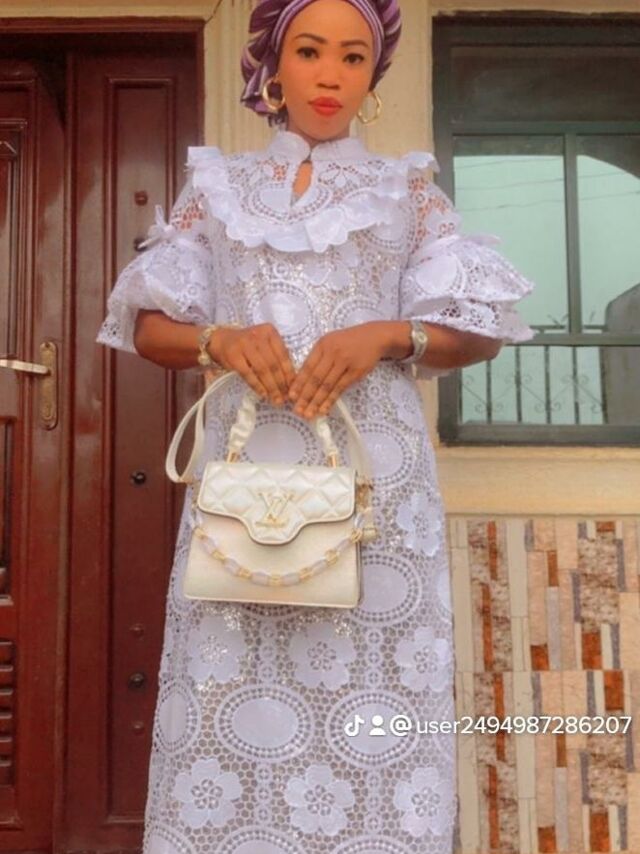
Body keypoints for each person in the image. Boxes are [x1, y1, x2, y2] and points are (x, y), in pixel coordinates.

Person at [96, 0, 535, 850]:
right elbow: (146, 323)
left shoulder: (408, 188)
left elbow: (477, 327)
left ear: (373, 76)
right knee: (230, 684)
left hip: (376, 484)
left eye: (352, 57)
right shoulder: (215, 188)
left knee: (373, 694)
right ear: (272, 63)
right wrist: (219, 340)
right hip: (246, 480)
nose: (330, 74)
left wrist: (387, 335)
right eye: (309, 51)